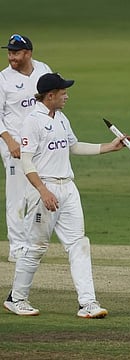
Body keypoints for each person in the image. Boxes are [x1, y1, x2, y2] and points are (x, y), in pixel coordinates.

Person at [3, 73, 127, 317]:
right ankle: (16, 298)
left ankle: (88, 303)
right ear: (50, 96)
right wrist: (43, 190)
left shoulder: (60, 117)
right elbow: (26, 162)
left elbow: (74, 146)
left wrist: (108, 147)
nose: (67, 96)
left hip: (68, 188)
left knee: (79, 244)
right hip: (44, 189)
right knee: (36, 247)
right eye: (63, 92)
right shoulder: (32, 121)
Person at [0, 34, 52, 262]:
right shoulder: (3, 79)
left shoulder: (43, 69)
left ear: (28, 53)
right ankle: (17, 247)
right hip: (15, 147)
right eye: (10, 52)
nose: (11, 56)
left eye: (16, 53)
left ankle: (32, 243)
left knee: (36, 194)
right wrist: (10, 141)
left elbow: (52, 100)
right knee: (16, 197)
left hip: (39, 144)